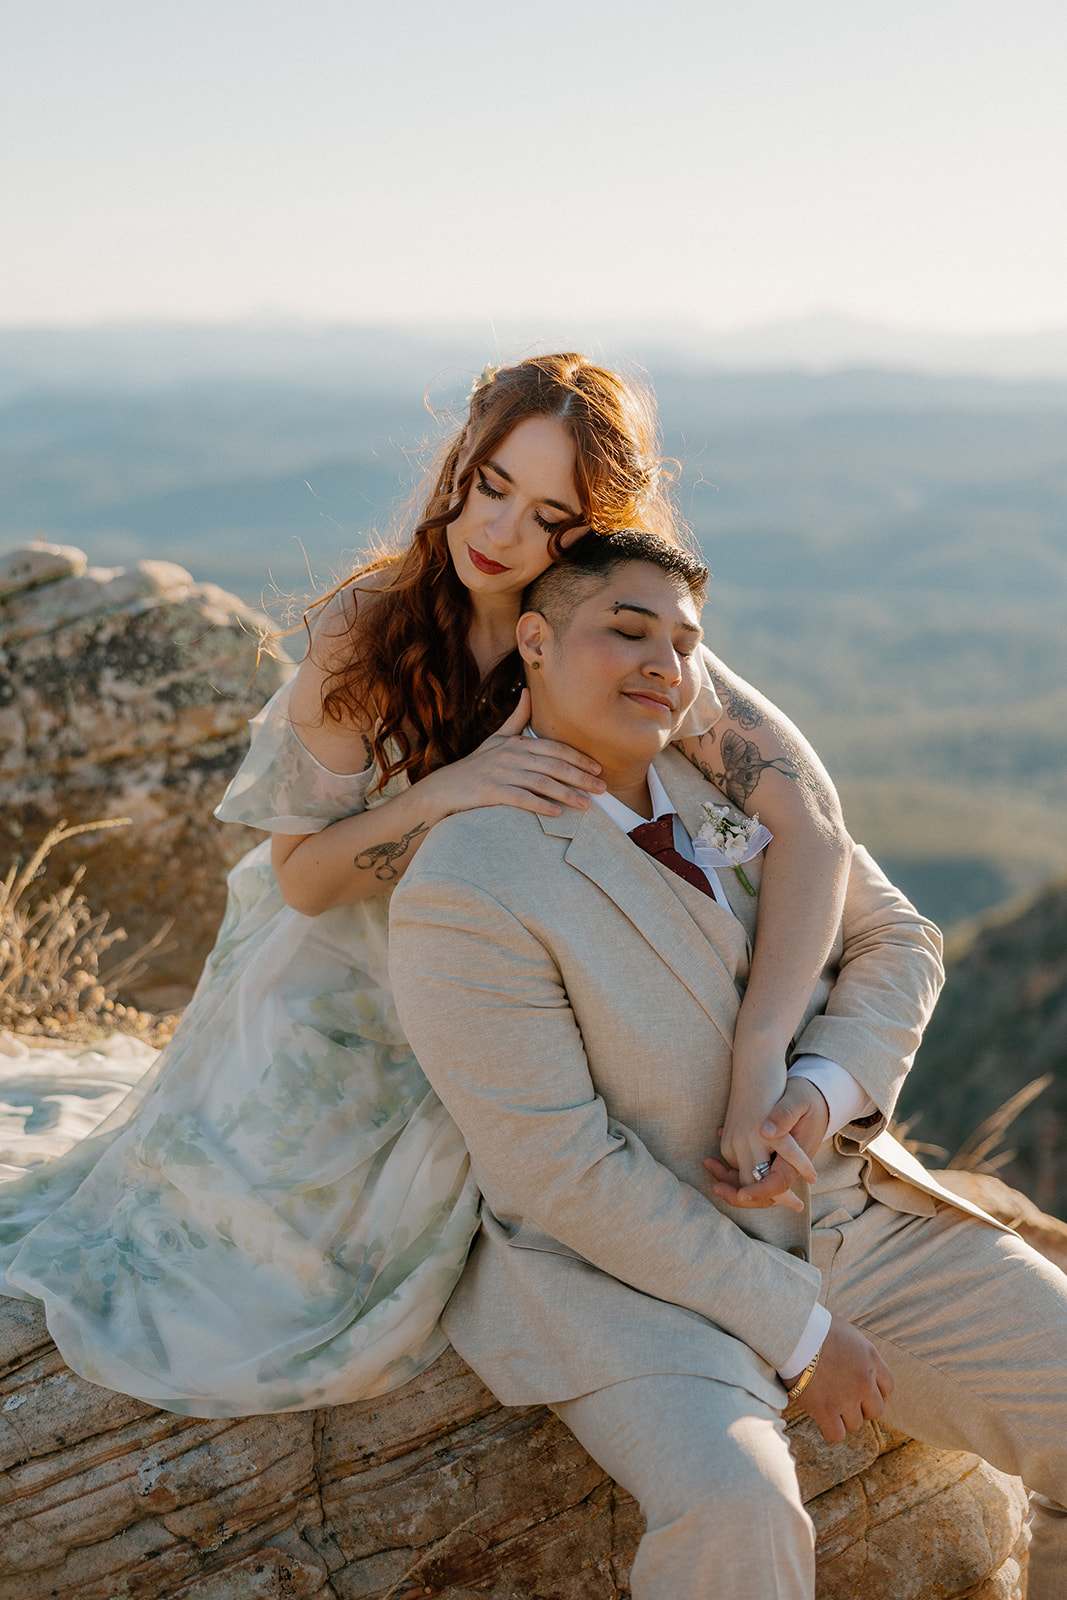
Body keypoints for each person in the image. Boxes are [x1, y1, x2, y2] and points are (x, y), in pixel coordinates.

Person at [1, 354, 847, 1418]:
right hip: (344, 978)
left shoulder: (611, 627)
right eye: (489, 483)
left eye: (548, 516)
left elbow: (809, 830)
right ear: (460, 462)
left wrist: (762, 1048)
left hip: (529, 975)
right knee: (260, 1271)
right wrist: (445, 792)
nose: (497, 532)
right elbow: (303, 880)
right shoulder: (367, 633)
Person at [388, 529, 1067, 1600]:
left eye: (684, 640)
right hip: (634, 1279)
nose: (663, 660)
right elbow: (554, 1171)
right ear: (532, 639)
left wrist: (815, 1089)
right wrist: (799, 1331)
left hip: (854, 1217)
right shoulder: (468, 880)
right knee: (735, 1510)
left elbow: (897, 940)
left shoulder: (731, 791)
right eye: (626, 630)